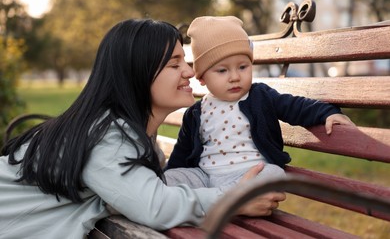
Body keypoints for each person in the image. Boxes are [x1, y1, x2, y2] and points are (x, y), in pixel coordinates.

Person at [0, 18, 286, 238]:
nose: (189, 71)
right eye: (174, 65)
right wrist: (234, 199)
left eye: (184, 61)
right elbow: (154, 206)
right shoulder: (106, 137)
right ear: (138, 75)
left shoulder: (124, 132)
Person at [164, 16, 356, 192]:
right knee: (169, 178)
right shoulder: (197, 112)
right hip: (206, 176)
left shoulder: (260, 96)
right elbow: (182, 153)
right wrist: (169, 177)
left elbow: (295, 106)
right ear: (202, 78)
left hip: (252, 174)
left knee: (274, 174)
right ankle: (220, 198)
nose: (235, 77)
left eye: (243, 67)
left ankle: (228, 199)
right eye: (222, 71)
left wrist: (327, 113)